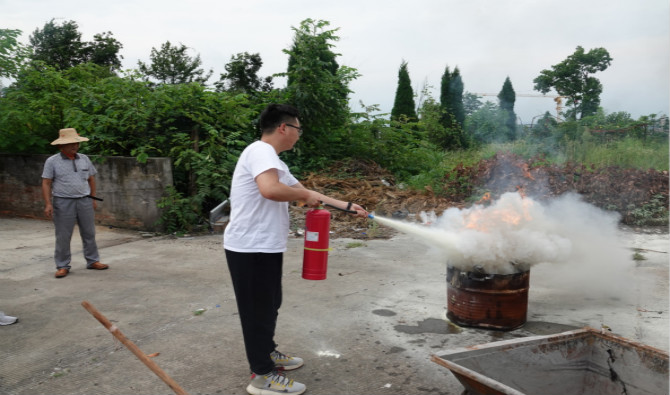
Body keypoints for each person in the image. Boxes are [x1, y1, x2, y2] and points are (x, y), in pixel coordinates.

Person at [223, 104, 368, 395]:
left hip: (265, 247)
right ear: (283, 128)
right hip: (249, 247)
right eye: (298, 129)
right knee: (257, 311)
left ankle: (268, 353)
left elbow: (305, 193)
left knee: (269, 304)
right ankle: (262, 376)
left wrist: (347, 207)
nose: (299, 135)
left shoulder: (274, 161)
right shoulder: (260, 151)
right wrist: (305, 194)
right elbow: (271, 190)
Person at [42, 128, 108, 279]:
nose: (75, 146)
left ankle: (93, 261)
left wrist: (92, 198)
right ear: (61, 146)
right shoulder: (52, 161)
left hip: (84, 200)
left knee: (89, 232)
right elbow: (46, 183)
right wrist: (48, 204)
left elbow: (91, 179)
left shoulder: (84, 158)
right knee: (63, 235)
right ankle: (62, 266)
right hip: (63, 202)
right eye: (71, 143)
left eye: (76, 143)